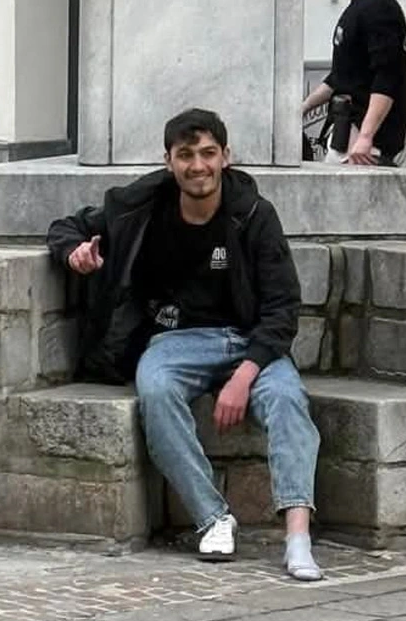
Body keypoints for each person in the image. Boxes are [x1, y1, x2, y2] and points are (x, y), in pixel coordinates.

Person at [46, 109, 324, 582]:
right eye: (186, 155)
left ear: (226, 157)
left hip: (249, 341)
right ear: (169, 161)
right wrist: (75, 254)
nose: (198, 166)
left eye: (208, 154)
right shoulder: (141, 208)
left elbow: (282, 308)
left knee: (287, 399)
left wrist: (244, 376)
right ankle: (213, 517)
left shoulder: (254, 214)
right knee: (155, 391)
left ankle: (298, 537)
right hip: (175, 341)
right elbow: (67, 227)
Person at [301, 0, 406, 166]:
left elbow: (387, 77)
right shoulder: (358, 8)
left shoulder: (380, 8)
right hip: (345, 132)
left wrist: (366, 136)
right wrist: (303, 108)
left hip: (365, 142)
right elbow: (340, 77)